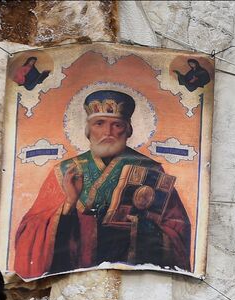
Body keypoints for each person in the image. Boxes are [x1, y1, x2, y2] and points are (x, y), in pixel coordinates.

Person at [12, 89, 192, 279]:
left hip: (129, 277)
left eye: (117, 125)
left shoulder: (151, 170)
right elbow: (29, 234)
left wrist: (139, 227)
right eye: (99, 123)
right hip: (78, 280)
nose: (108, 132)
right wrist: (69, 205)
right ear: (88, 130)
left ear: (128, 129)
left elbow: (177, 231)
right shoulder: (65, 171)